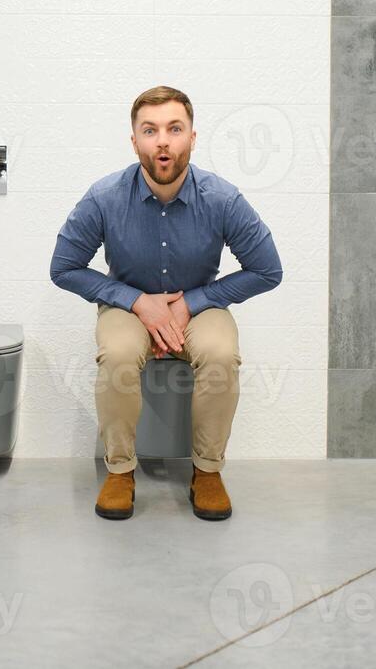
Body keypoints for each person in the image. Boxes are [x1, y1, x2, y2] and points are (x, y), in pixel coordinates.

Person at [49, 85, 283, 521]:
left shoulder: (222, 198)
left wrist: (193, 302)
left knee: (220, 353)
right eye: (150, 130)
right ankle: (119, 471)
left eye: (175, 129)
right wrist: (137, 301)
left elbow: (268, 269)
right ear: (134, 140)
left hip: (200, 305)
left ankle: (208, 471)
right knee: (117, 354)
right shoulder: (104, 197)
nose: (162, 141)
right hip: (127, 306)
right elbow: (63, 267)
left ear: (192, 137)